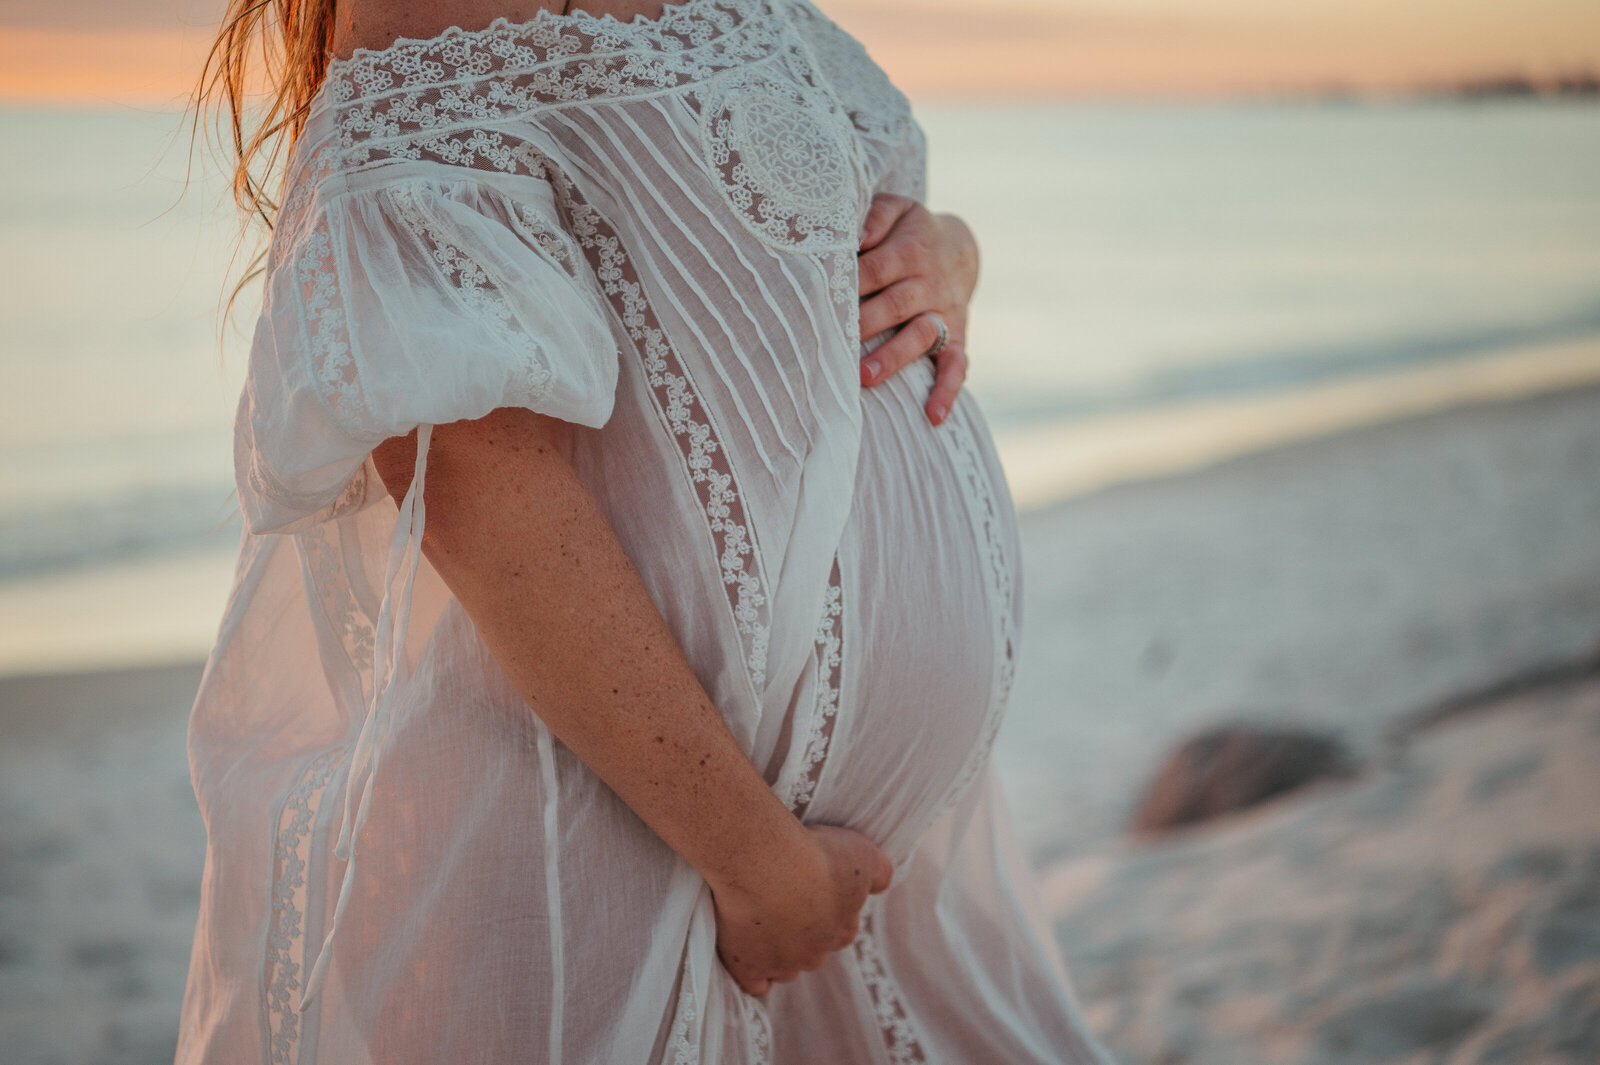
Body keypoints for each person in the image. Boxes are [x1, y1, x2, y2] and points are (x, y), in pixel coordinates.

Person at [177, 0, 1118, 1060]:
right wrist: (761, 868)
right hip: (644, 855)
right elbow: (466, 470)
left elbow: (825, 273)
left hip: (857, 887)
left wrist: (949, 259)